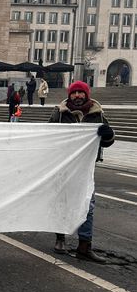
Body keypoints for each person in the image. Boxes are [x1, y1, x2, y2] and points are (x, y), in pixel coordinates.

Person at [51, 81, 115, 263]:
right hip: (63, 166)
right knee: (63, 202)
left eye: (81, 92)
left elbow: (107, 141)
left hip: (86, 168)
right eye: (74, 92)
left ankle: (84, 246)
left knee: (88, 205)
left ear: (86, 94)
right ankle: (60, 238)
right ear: (69, 95)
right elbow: (48, 135)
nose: (77, 95)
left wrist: (108, 134)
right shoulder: (60, 113)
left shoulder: (97, 113)